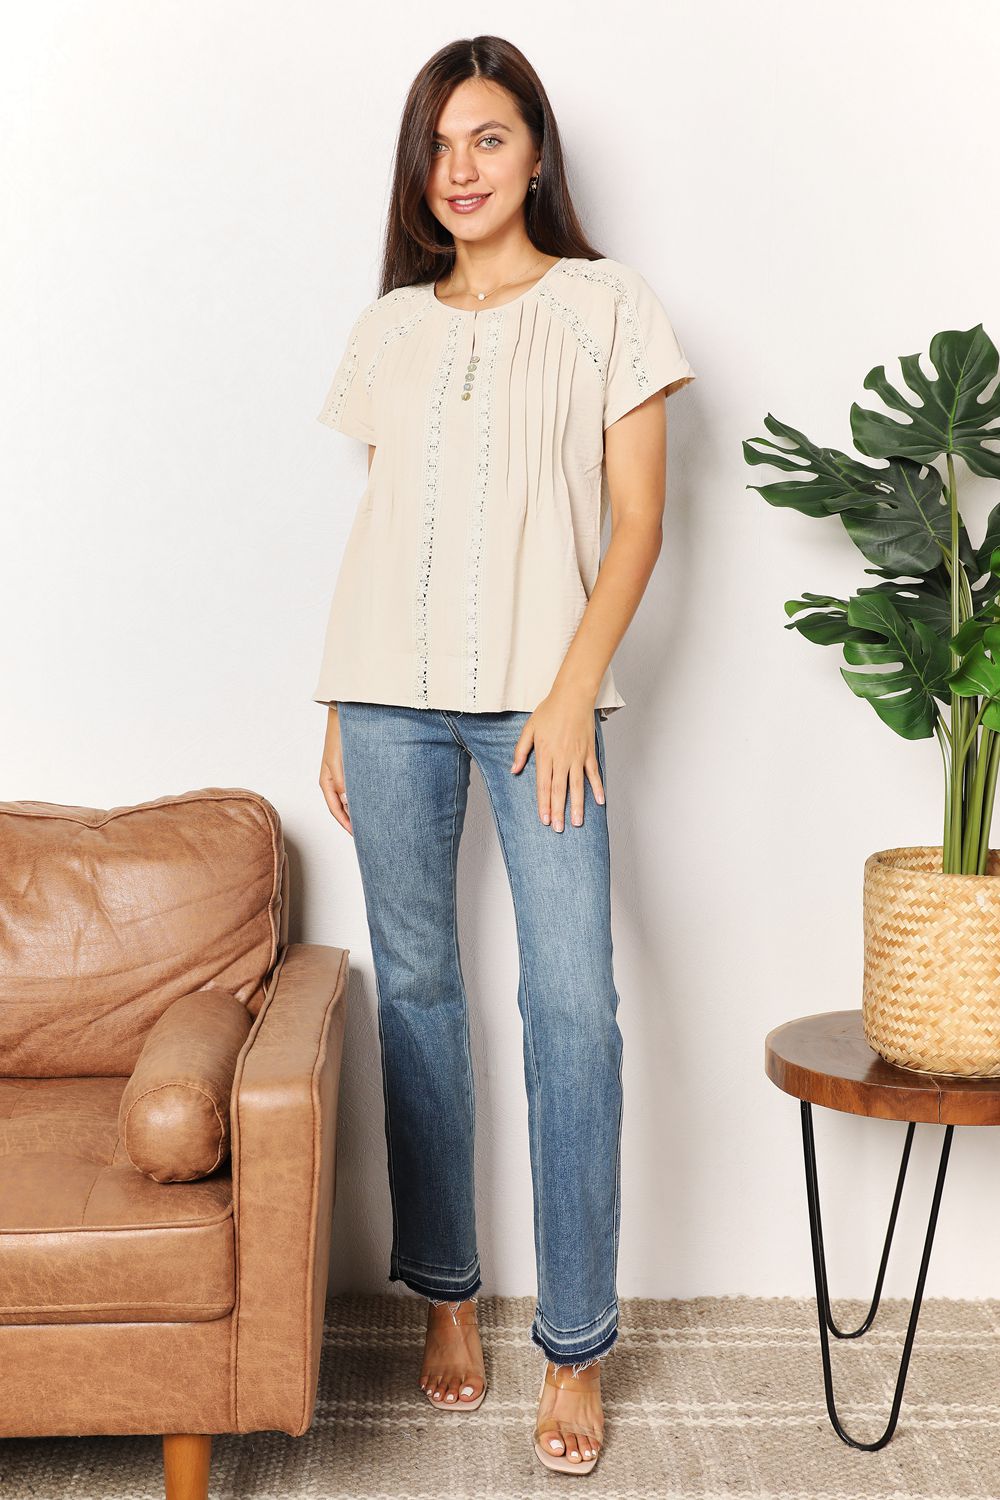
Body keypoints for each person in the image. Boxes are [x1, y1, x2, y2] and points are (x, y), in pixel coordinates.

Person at [314, 34, 696, 1475]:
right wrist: (337, 702)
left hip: (546, 708)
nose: (458, 169)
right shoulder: (391, 326)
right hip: (386, 698)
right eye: (437, 146)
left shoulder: (610, 307)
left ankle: (577, 1341)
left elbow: (641, 521)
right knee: (415, 993)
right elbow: (383, 525)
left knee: (571, 1010)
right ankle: (449, 1297)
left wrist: (570, 686)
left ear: (536, 151)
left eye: (484, 139)